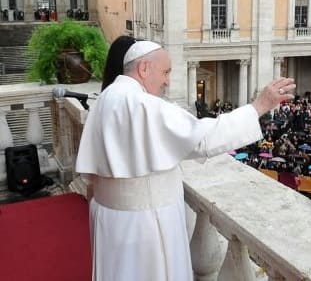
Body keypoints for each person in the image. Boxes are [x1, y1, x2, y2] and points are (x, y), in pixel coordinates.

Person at [76, 38, 296, 281]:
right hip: (144, 225)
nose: (168, 81)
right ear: (144, 68)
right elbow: (203, 138)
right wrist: (260, 105)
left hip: (110, 218)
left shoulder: (105, 98)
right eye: (165, 72)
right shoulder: (144, 104)